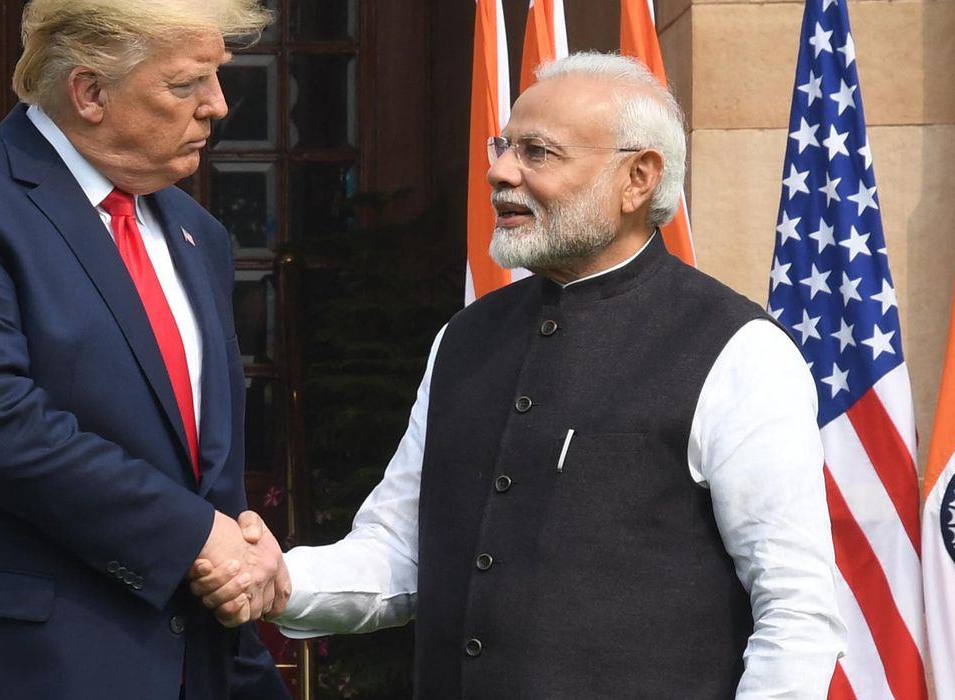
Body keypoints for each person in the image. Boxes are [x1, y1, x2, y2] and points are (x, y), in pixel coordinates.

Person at [195, 52, 847, 698]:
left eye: (537, 152)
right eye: (503, 146)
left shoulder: (738, 350)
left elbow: (794, 611)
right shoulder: (465, 338)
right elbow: (401, 553)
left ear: (637, 178)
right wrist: (275, 576)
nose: (499, 171)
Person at [0, 1, 293, 698]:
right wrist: (195, 536)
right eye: (185, 83)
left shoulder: (200, 236)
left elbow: (206, 479)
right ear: (89, 91)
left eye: (218, 78)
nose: (217, 107)